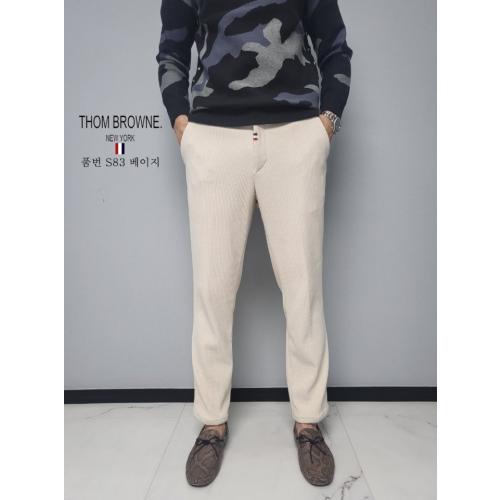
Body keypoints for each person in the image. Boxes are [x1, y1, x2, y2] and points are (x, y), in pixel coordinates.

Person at [156, 0, 352, 488]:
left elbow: (335, 46)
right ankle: (212, 423)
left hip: (296, 137)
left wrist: (326, 123)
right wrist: (183, 124)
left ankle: (308, 422)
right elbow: (171, 53)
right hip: (213, 139)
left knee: (303, 290)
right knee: (213, 291)